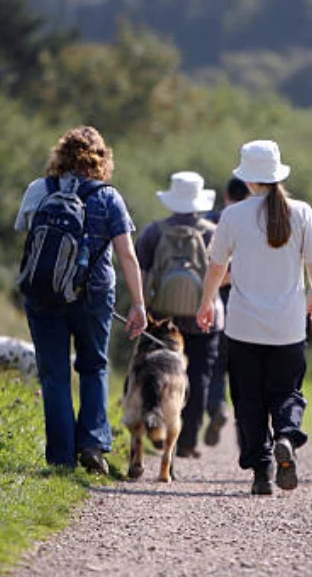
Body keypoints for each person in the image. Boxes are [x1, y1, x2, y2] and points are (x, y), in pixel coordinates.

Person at [196, 140, 312, 495]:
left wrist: (206, 303)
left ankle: (262, 472)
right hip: (288, 326)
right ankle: (286, 436)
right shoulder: (301, 212)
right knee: (287, 392)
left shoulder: (233, 215)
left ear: (248, 179)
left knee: (248, 399)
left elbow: (216, 268)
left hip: (243, 325)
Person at [15, 126, 146, 472]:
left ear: (60, 154)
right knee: (94, 365)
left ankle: (61, 457)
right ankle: (92, 445)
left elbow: (30, 239)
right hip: (95, 293)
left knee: (54, 373)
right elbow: (127, 255)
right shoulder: (109, 197)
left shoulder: (39, 190)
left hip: (45, 293)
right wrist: (139, 304)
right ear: (102, 159)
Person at [136, 171, 222, 459]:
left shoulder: (154, 232)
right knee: (198, 379)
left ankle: (156, 425)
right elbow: (225, 273)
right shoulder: (212, 232)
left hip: (163, 321)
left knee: (158, 375)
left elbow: (142, 271)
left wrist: (142, 307)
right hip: (204, 319)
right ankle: (186, 442)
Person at [202, 176, 251, 446]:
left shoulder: (210, 219)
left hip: (212, 302)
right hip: (243, 303)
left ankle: (217, 407)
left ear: (225, 194)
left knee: (216, 364)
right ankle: (245, 428)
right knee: (243, 368)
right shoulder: (251, 220)